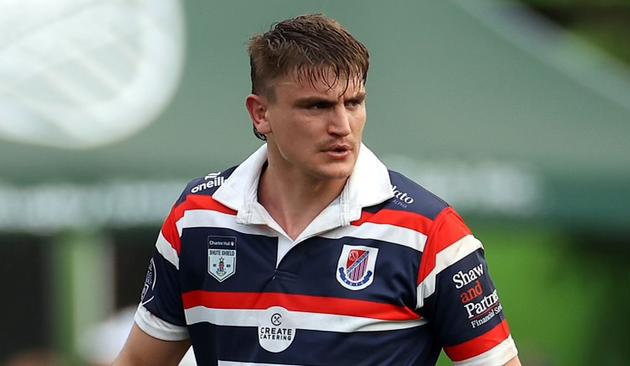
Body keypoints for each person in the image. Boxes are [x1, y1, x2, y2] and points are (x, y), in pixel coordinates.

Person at [114, 14, 521, 366]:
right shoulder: (197, 217)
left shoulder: (430, 233)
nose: (342, 126)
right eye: (317, 106)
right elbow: (138, 360)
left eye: (354, 102)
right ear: (261, 114)